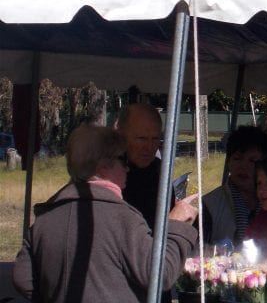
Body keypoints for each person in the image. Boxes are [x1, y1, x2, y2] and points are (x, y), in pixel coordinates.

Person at [13, 124, 198, 303]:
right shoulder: (123, 219)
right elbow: (161, 275)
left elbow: (23, 279)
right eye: (123, 159)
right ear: (102, 166)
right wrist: (176, 225)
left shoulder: (45, 220)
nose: (127, 167)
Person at [202, 125, 267, 249]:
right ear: (228, 162)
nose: (243, 167)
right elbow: (198, 251)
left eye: (252, 161)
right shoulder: (210, 203)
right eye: (237, 159)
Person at [116, 102, 169, 229]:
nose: (149, 147)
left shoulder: (160, 171)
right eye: (141, 138)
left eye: (155, 139)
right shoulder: (107, 173)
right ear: (122, 135)